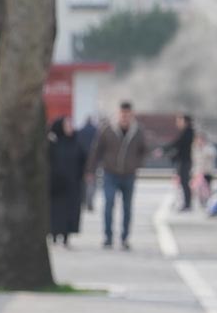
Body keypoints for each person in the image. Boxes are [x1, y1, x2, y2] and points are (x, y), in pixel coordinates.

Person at [86, 101, 148, 250]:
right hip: (110, 173)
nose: (125, 117)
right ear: (118, 114)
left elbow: (144, 150)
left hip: (128, 174)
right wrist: (90, 170)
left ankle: (125, 237)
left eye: (127, 114)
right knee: (108, 204)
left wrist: (136, 164)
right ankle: (108, 237)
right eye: (122, 114)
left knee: (127, 207)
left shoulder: (138, 131)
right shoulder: (107, 130)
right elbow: (96, 150)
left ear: (131, 115)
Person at [47, 116, 87, 246]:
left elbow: (83, 160)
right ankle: (53, 234)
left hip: (72, 185)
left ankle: (66, 235)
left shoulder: (76, 142)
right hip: (56, 185)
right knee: (55, 211)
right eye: (67, 125)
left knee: (70, 211)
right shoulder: (53, 144)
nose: (70, 127)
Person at [161, 114, 196, 211]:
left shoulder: (188, 132)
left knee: (185, 182)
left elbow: (177, 144)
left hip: (185, 161)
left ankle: (187, 204)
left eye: (180, 121)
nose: (178, 123)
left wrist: (164, 150)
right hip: (184, 161)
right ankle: (186, 203)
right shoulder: (186, 132)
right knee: (183, 183)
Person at [75, 115, 98, 211]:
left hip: (82, 159)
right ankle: (90, 201)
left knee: (83, 181)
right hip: (94, 159)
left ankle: (83, 200)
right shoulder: (97, 131)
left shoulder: (80, 131)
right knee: (92, 181)